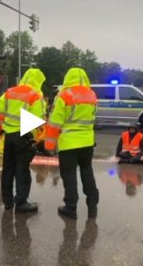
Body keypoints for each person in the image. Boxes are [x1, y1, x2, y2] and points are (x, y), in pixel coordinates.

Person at [45, 67, 99, 220]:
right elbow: (93, 117)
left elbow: (55, 122)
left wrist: (49, 145)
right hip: (87, 142)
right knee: (87, 172)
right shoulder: (92, 95)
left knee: (69, 175)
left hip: (69, 143)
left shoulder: (64, 95)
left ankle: (71, 208)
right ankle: (92, 205)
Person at [0, 68, 46, 213]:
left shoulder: (9, 92)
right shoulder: (35, 95)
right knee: (22, 170)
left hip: (9, 136)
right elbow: (39, 120)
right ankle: (21, 202)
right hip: (24, 136)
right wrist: (37, 139)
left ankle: (7, 201)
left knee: (8, 169)